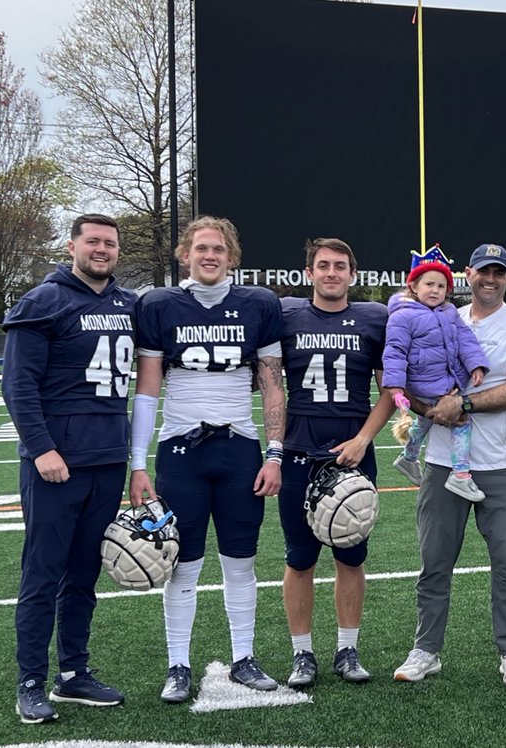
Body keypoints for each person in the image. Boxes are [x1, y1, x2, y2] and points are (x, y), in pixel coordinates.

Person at [129, 216, 285, 702]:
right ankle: (178, 664)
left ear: (232, 256)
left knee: (241, 562)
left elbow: (272, 385)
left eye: (218, 249)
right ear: (185, 254)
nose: (210, 256)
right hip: (181, 451)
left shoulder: (259, 303)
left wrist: (275, 453)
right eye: (201, 248)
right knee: (183, 564)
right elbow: (148, 389)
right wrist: (138, 461)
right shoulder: (158, 304)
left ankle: (244, 657)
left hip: (239, 448)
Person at [392, 242, 506, 686]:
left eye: (499, 272)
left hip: (500, 462)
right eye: (483, 271)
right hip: (443, 462)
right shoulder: (442, 315)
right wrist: (427, 410)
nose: (490, 279)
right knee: (434, 562)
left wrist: (463, 403)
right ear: (468, 274)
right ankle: (426, 648)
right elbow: (409, 375)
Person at [3, 214, 137, 724]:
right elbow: (18, 384)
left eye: (109, 243)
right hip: (57, 463)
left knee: (83, 574)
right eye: (93, 242)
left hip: (107, 460)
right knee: (42, 574)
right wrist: (41, 448)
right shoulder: (45, 300)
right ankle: (31, 680)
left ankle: (73, 672)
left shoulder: (127, 304)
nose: (101, 250)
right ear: (72, 246)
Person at [278, 238, 395, 688]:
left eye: (340, 266)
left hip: (353, 454)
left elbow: (390, 388)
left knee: (351, 556)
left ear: (352, 274)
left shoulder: (373, 318)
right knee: (300, 559)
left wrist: (364, 439)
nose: (331, 272)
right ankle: (302, 653)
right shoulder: (287, 315)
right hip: (299, 453)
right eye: (323, 265)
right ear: (309, 272)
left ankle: (348, 648)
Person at [384, 245, 488, 501]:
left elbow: (465, 339)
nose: (435, 290)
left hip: (445, 379)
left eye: (441, 286)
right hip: (425, 382)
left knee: (426, 421)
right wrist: (395, 388)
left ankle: (408, 457)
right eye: (429, 284)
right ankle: (461, 474)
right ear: (413, 287)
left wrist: (476, 364)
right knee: (462, 421)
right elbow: (394, 352)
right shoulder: (402, 316)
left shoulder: (449, 312)